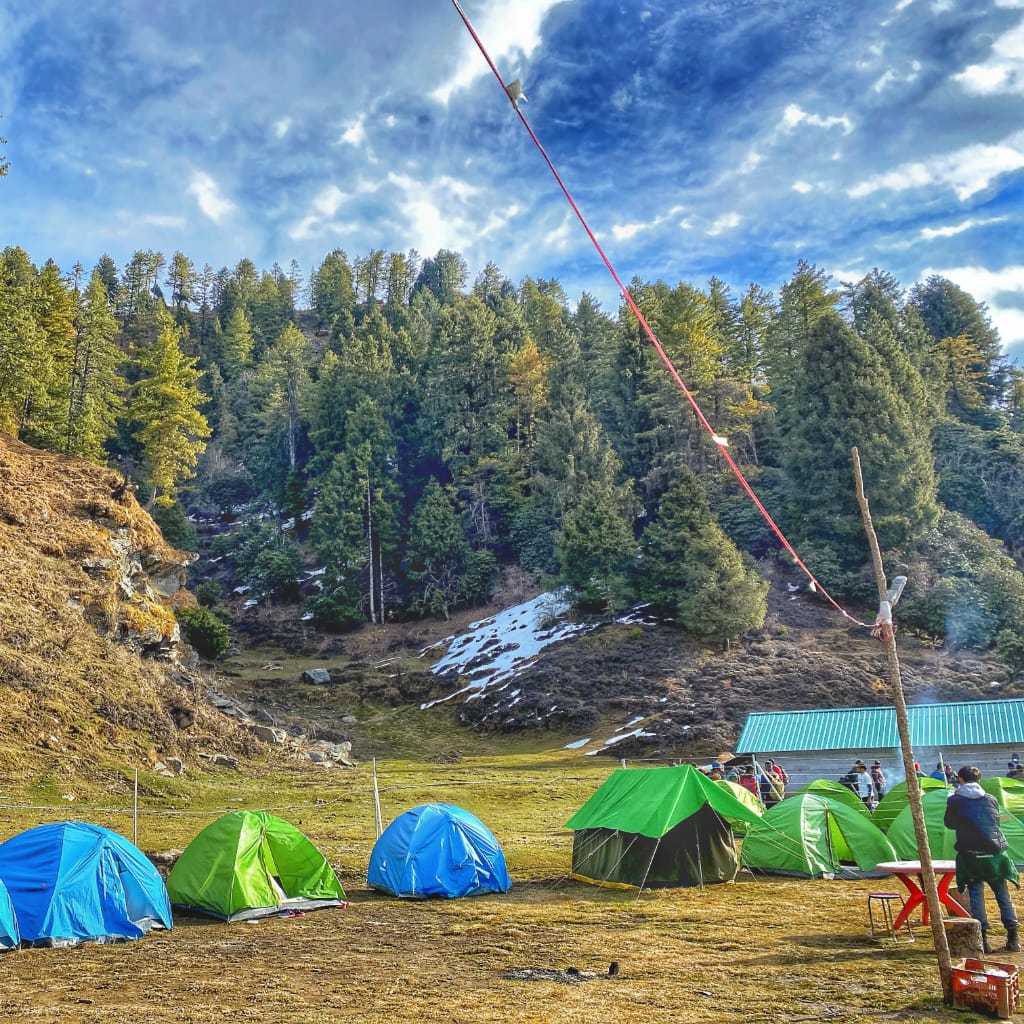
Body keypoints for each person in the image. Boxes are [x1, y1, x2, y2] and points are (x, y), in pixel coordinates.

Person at [944, 765, 1020, 953]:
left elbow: (949, 823)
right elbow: (994, 822)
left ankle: (983, 941)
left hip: (972, 855)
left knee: (976, 896)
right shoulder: (991, 799)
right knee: (1003, 895)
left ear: (960, 779)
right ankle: (1013, 939)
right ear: (979, 779)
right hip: (995, 854)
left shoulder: (955, 800)